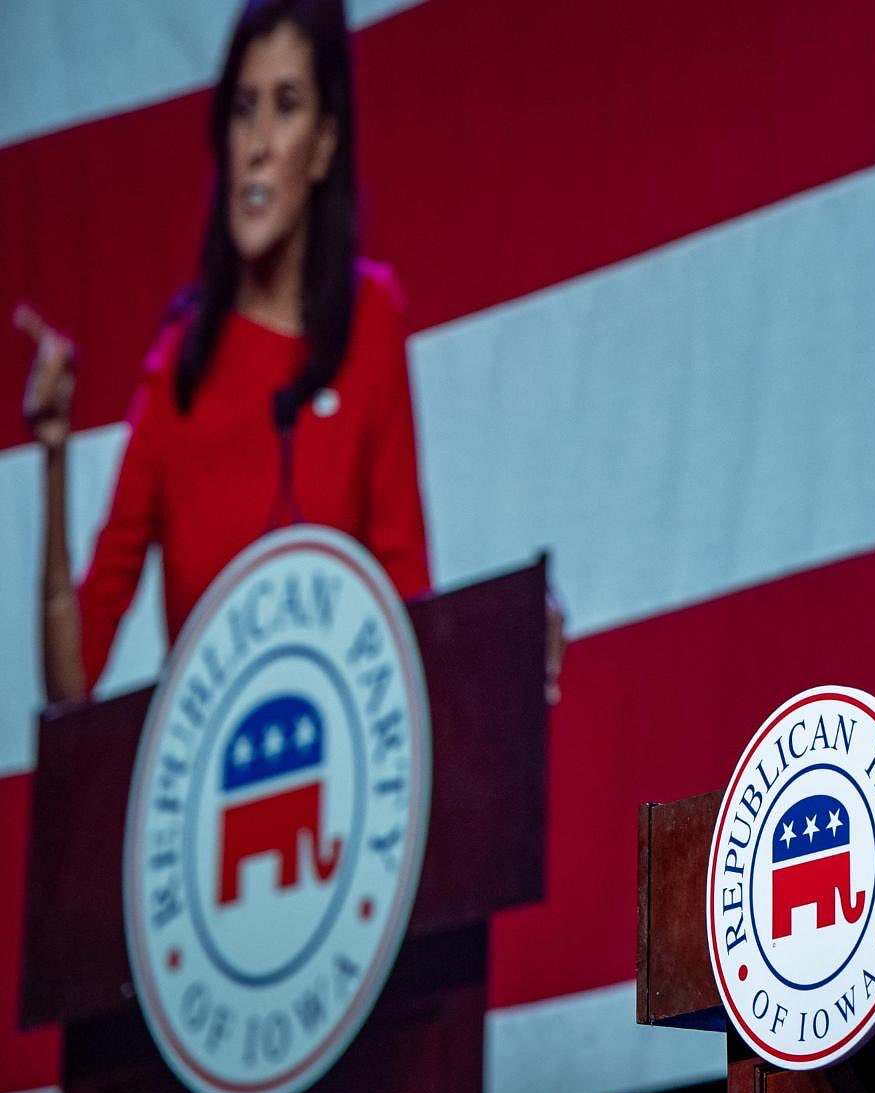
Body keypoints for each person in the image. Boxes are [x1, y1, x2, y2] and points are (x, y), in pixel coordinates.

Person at [16, 0, 562, 706]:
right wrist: (54, 458)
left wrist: (509, 648)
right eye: (244, 110)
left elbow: (406, 605)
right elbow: (71, 685)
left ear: (325, 145)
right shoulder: (177, 369)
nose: (259, 144)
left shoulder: (370, 322)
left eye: (287, 107)